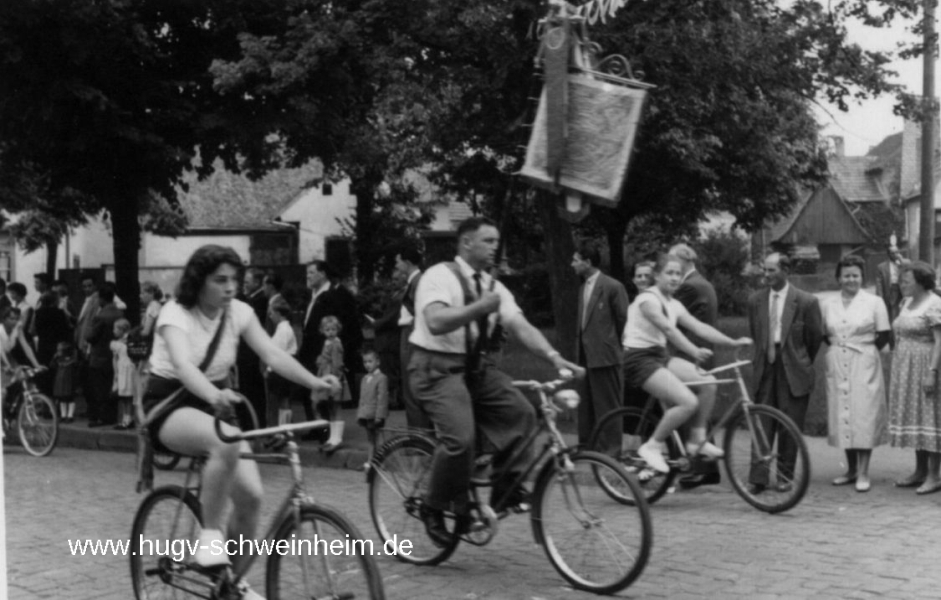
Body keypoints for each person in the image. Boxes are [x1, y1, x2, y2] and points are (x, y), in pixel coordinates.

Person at [141, 244, 339, 600]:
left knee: (252, 498)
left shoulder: (239, 313)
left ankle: (229, 583)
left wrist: (314, 382)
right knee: (227, 440)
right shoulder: (175, 313)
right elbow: (183, 366)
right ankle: (209, 540)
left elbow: (272, 354)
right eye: (220, 280)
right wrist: (213, 395)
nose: (230, 287)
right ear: (199, 280)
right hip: (171, 404)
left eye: (235, 279)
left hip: (217, 405)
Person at [409, 217, 583, 546]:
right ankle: (433, 506)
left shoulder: (493, 287)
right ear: (466, 243)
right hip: (435, 369)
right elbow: (435, 321)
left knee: (522, 413)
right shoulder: (439, 276)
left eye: (496, 241)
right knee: (461, 440)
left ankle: (505, 489)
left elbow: (520, 326)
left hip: (475, 369)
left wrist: (554, 357)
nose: (495, 248)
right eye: (488, 241)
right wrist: (480, 308)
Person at [625, 254, 751, 473]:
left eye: (678, 274)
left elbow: (699, 327)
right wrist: (694, 351)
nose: (675, 278)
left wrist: (731, 342)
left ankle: (696, 440)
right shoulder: (647, 300)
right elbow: (668, 330)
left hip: (659, 356)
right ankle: (652, 446)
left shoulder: (673, 304)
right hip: (638, 360)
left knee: (708, 382)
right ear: (657, 275)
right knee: (687, 402)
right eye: (669, 273)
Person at [747, 253, 824, 493]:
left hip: (793, 366)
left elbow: (814, 338)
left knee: (789, 423)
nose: (766, 275)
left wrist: (799, 360)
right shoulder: (756, 300)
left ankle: (784, 476)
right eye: (765, 270)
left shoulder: (806, 301)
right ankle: (758, 478)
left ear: (786, 271)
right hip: (765, 365)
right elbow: (756, 333)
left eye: (771, 270)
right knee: (762, 420)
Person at [822, 255, 891, 493]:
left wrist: (862, 349)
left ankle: (863, 472)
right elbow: (825, 334)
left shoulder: (874, 302)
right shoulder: (828, 304)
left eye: (856, 275)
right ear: (839, 278)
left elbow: (884, 335)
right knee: (843, 414)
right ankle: (850, 470)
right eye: (846, 275)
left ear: (862, 278)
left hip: (864, 361)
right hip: (837, 361)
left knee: (863, 415)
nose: (851, 279)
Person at [887, 261, 941, 495]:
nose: (902, 285)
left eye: (906, 281)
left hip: (926, 364)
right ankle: (920, 470)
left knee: (931, 418)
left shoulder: (935, 304)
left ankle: (934, 475)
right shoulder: (906, 303)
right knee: (917, 416)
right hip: (906, 366)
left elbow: (939, 342)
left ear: (921, 282)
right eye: (901, 281)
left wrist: (932, 372)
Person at [571, 240, 628, 455]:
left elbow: (624, 321)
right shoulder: (582, 288)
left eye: (576, 260)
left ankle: (611, 452)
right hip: (585, 355)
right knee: (585, 403)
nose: (572, 264)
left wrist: (617, 350)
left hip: (606, 356)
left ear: (587, 262)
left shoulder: (613, 286)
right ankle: (587, 447)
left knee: (608, 405)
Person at [296, 260, 361, 431]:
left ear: (323, 274)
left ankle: (325, 429)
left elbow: (338, 325)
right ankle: (315, 427)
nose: (308, 276)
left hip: (323, 352)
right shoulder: (313, 294)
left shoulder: (332, 295)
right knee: (309, 390)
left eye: (311, 272)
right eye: (307, 273)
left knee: (324, 392)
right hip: (310, 350)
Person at [84, 282, 125, 427]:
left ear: (101, 298)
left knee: (98, 388)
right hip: (114, 355)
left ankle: (101, 417)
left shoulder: (100, 316)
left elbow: (90, 336)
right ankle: (111, 415)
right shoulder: (119, 313)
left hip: (99, 356)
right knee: (111, 385)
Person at [235, 268, 268, 427]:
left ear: (257, 282)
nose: (244, 285)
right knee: (247, 389)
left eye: (247, 282)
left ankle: (254, 422)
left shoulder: (260, 300)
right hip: (246, 354)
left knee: (253, 390)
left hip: (251, 354)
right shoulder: (252, 299)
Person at [315, 315, 347, 453]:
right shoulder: (327, 342)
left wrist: (335, 378)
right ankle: (332, 437)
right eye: (327, 329)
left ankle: (337, 438)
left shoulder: (336, 344)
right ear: (322, 330)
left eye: (333, 329)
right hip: (326, 375)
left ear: (337, 330)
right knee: (331, 407)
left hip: (333, 376)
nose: (330, 332)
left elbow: (337, 363)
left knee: (336, 407)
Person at [265, 298, 298, 426]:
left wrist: (269, 369)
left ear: (279, 314)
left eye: (272, 313)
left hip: (281, 370)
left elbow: (278, 352)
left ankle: (284, 429)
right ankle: (283, 428)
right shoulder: (282, 328)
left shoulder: (284, 330)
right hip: (282, 369)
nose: (270, 316)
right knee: (282, 401)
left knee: (282, 401)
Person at [357, 348, 389, 454]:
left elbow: (382, 398)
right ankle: (371, 460)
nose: (367, 364)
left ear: (378, 362)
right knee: (370, 439)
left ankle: (381, 459)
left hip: (376, 415)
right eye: (365, 362)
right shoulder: (364, 379)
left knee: (379, 438)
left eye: (370, 361)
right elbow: (362, 398)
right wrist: (360, 414)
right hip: (367, 415)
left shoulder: (381, 378)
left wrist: (380, 415)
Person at [875, 240, 908, 326]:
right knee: (892, 313)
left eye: (897, 252)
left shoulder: (904, 263)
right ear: (888, 255)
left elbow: (910, 269)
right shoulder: (881, 267)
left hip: (903, 290)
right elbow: (879, 283)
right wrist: (879, 298)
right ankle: (893, 331)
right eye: (892, 253)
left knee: (904, 311)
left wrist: (901, 260)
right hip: (891, 290)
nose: (895, 254)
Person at [111, 317, 135, 429]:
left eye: (115, 329)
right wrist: (116, 373)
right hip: (121, 369)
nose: (114, 331)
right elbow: (115, 358)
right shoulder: (116, 343)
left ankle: (128, 419)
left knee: (128, 396)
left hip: (129, 369)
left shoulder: (130, 341)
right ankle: (126, 418)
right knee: (123, 396)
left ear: (122, 330)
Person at [50, 341, 78, 423]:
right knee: (62, 399)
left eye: (59, 350)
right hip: (60, 382)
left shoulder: (72, 361)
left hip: (69, 381)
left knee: (70, 398)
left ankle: (70, 415)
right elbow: (52, 366)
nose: (57, 352)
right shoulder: (58, 360)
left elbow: (76, 373)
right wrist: (54, 358)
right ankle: (63, 415)